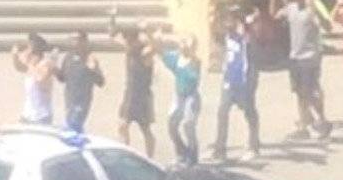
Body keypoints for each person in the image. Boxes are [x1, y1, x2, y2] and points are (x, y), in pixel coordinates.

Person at [271, 0, 331, 140]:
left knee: (310, 92)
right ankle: (304, 126)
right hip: (295, 57)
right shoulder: (291, 8)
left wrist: (314, 10)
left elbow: (328, 26)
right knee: (299, 93)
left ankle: (322, 120)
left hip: (310, 57)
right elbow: (274, 15)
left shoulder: (312, 8)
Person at [211, 11, 260, 162]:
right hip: (229, 82)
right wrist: (212, 19)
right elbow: (215, 34)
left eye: (231, 21)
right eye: (226, 21)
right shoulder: (226, 36)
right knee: (222, 112)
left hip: (244, 81)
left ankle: (253, 146)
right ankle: (220, 149)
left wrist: (247, 26)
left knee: (249, 112)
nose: (228, 24)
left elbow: (252, 42)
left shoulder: (246, 39)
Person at [110, 16, 157, 157]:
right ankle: (126, 154)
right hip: (129, 93)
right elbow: (112, 38)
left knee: (145, 129)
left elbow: (155, 46)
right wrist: (112, 19)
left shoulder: (144, 54)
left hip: (142, 96)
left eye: (129, 38)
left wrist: (147, 30)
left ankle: (150, 158)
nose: (127, 41)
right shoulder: (129, 49)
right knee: (122, 126)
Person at [158, 32, 203, 165]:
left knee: (188, 125)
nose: (186, 46)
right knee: (171, 125)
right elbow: (160, 51)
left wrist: (190, 55)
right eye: (184, 43)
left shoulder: (195, 61)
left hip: (191, 97)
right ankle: (181, 151)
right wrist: (153, 35)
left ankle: (193, 155)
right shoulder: (176, 58)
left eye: (189, 44)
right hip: (178, 96)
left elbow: (193, 76)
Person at [56, 32, 105, 134]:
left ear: (84, 41)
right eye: (72, 39)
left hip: (82, 102)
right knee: (72, 127)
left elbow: (101, 82)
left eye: (77, 39)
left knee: (73, 126)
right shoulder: (68, 57)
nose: (74, 42)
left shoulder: (90, 58)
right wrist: (54, 69)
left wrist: (93, 69)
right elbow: (62, 78)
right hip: (69, 100)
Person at [11, 33, 56, 127]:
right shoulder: (30, 67)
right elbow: (18, 67)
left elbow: (40, 79)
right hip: (27, 114)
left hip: (41, 115)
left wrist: (30, 63)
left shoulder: (46, 64)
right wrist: (14, 56)